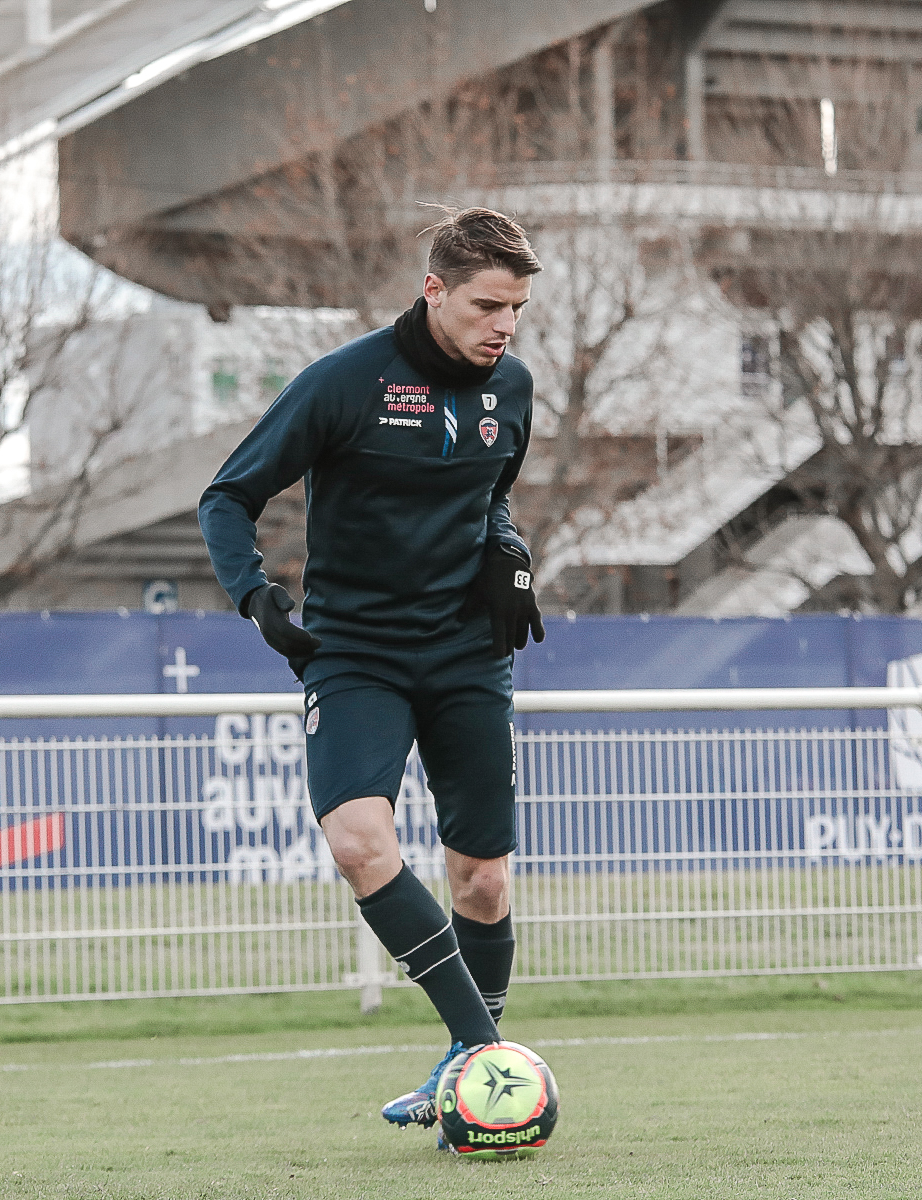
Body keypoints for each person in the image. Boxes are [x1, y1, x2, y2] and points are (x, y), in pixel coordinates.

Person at [198, 206, 546, 1136]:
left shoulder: (510, 389)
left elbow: (491, 504)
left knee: (483, 881)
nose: (503, 325)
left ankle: (470, 1066)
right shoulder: (345, 383)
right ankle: (488, 1061)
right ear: (432, 290)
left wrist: (511, 559)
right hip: (356, 654)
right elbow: (227, 496)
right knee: (357, 841)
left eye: (515, 308)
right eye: (485, 306)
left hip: (469, 654)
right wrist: (255, 594)